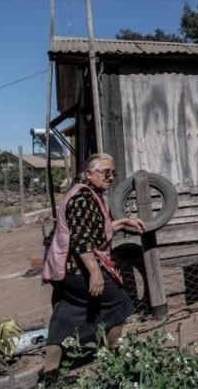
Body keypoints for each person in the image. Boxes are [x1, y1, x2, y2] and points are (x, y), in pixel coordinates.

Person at [40, 153, 145, 378]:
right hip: (80, 271)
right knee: (120, 306)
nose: (110, 177)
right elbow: (82, 239)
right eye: (105, 172)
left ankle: (49, 374)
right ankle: (113, 360)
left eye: (113, 173)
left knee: (64, 315)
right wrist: (96, 273)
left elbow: (94, 231)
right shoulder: (83, 198)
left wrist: (124, 222)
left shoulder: (87, 194)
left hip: (67, 272)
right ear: (89, 173)